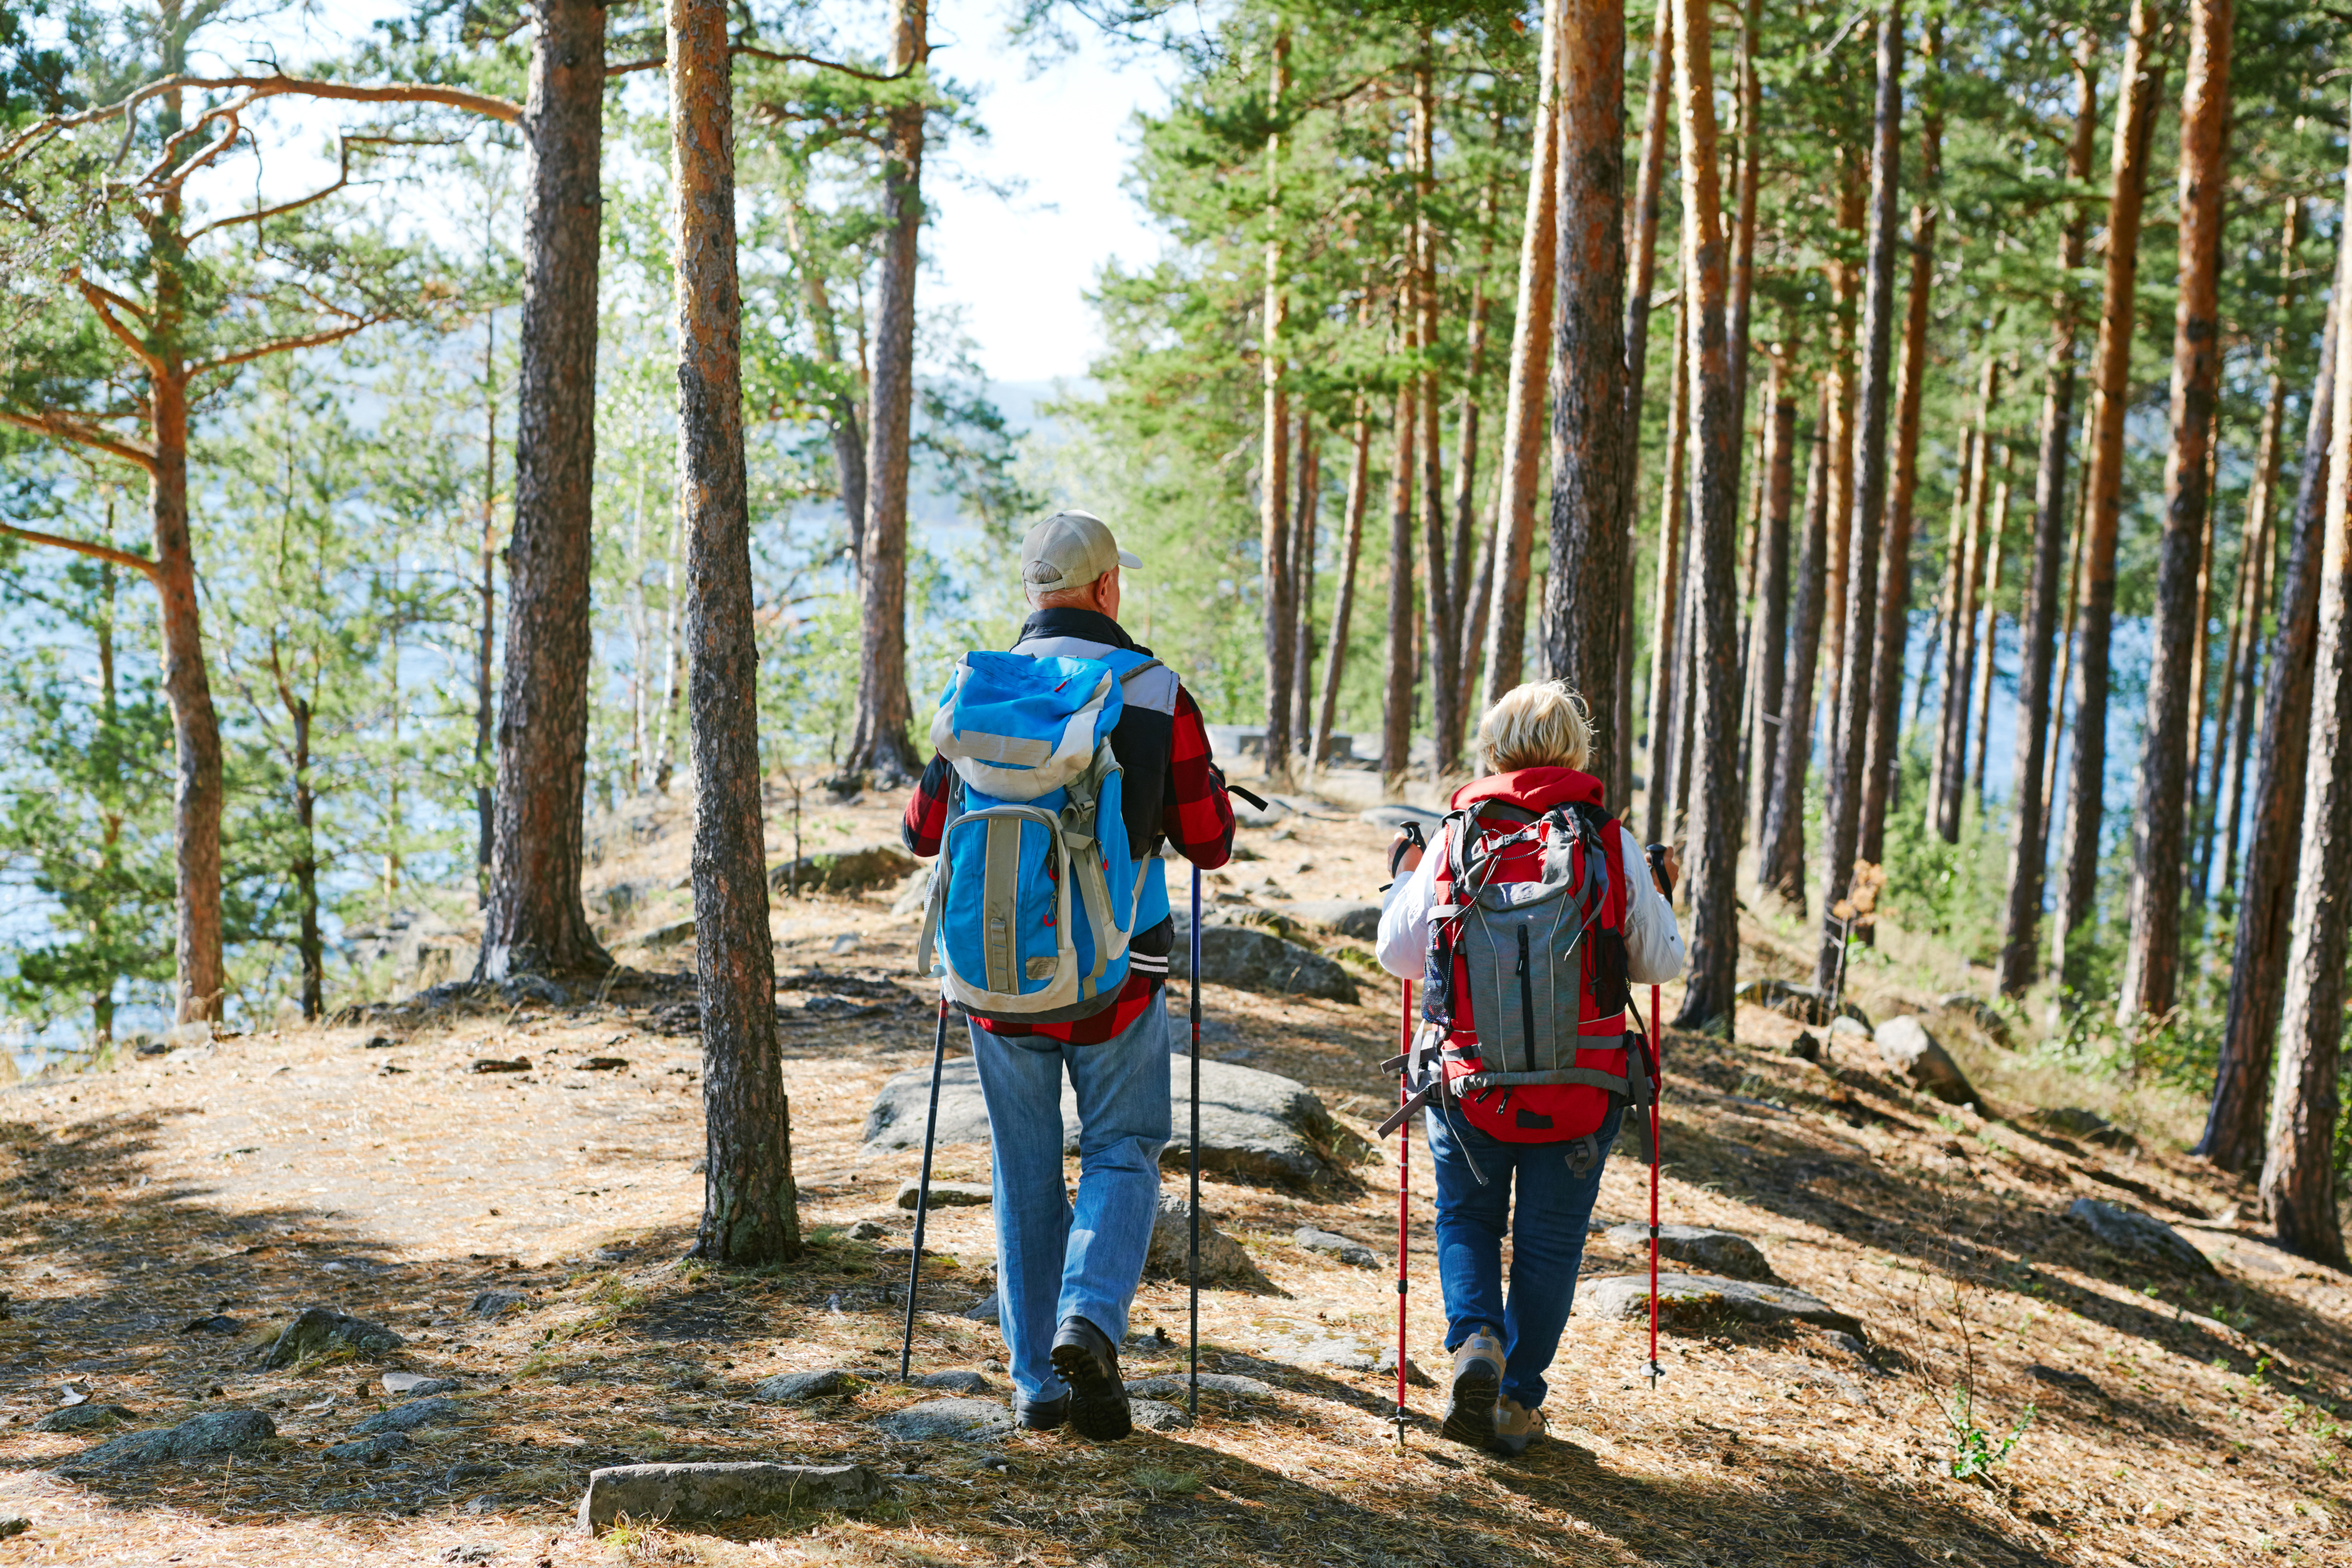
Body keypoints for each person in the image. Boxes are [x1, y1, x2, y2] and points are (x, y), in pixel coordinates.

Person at [902, 509, 1236, 1441]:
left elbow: (922, 833)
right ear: (1105, 589)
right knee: (1124, 1147)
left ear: (1033, 593)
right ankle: (1087, 1318)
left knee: (1024, 1168)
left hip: (995, 981)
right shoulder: (1154, 690)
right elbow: (1210, 843)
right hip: (1116, 977)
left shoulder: (978, 688)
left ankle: (1035, 1387)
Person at [1374, 680, 1684, 1456]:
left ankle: (1475, 1339)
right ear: (1576, 750)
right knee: (1550, 1245)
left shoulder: (1457, 836)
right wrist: (1658, 892)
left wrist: (1410, 879)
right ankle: (1515, 1403)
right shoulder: (1607, 841)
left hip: (1471, 1089)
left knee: (1468, 1220)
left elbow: (1397, 956)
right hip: (1582, 1091)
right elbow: (1662, 963)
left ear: (1494, 746)